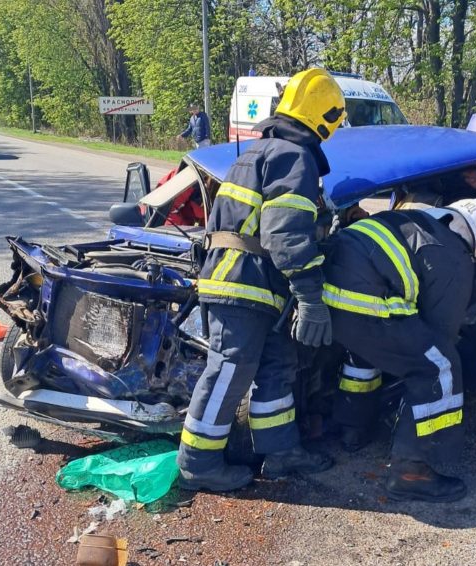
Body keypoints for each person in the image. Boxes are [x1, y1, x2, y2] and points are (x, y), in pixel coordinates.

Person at [177, 68, 347, 492]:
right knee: (230, 366)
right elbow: (284, 233)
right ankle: (198, 463)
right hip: (244, 282)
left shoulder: (257, 152)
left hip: (244, 282)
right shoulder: (295, 157)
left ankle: (281, 452)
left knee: (277, 366)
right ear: (326, 119)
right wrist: (310, 297)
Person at [322, 199, 476, 502]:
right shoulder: (455, 255)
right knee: (438, 365)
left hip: (325, 298)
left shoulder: (408, 221)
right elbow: (441, 334)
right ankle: (411, 471)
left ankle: (353, 430)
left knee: (368, 352)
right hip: (365, 303)